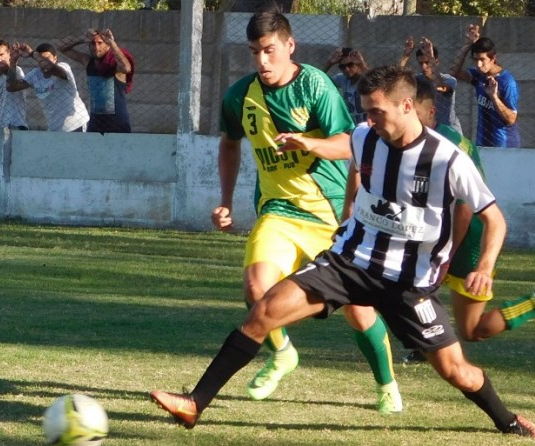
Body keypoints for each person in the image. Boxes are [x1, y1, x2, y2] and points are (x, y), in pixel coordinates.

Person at [150, 66, 535, 441]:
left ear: (407, 106)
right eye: (366, 113)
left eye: (377, 112)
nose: (369, 121)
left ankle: (508, 421)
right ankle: (195, 403)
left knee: (456, 370)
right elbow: (344, 144)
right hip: (349, 261)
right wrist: (308, 144)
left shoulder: (448, 159)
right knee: (265, 309)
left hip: (408, 284)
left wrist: (484, 266)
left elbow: (495, 219)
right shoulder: (366, 136)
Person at [154, 8, 404, 420]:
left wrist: (308, 144)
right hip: (279, 210)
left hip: (329, 213)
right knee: (257, 287)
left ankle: (387, 385)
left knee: (359, 312)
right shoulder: (239, 96)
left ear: (290, 46)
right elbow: (230, 144)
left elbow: (349, 143)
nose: (262, 60)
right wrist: (226, 200)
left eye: (269, 50)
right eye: (255, 52)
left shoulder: (315, 85)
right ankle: (283, 352)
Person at [402, 78, 535, 363]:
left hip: (468, 240)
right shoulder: (410, 141)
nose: (408, 122)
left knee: (472, 329)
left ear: (431, 112)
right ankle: (425, 344)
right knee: (406, 285)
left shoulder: (449, 146)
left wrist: (447, 254)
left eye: (415, 114)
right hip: (438, 235)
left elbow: (464, 209)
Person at [450, 24, 520, 148]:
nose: (478, 64)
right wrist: (468, 45)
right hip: (482, 143)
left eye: (482, 59)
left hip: (504, 147)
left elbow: (511, 119)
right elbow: (453, 73)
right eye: (475, 59)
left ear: (493, 58)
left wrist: (494, 97)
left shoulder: (507, 82)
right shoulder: (478, 75)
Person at [55, 28, 134, 133]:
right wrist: (81, 38)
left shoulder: (114, 65)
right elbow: (60, 47)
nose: (96, 47)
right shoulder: (88, 62)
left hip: (117, 122)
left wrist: (112, 43)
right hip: (96, 121)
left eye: (100, 43)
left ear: (107, 46)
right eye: (93, 43)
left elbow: (126, 68)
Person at [6, 42, 90, 133]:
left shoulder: (63, 67)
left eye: (47, 58)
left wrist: (32, 53)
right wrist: (13, 63)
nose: (44, 61)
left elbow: (51, 67)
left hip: (75, 124)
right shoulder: (35, 74)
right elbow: (11, 87)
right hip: (54, 128)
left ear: (55, 58)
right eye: (41, 58)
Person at [399, 36, 462, 134]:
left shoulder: (449, 80)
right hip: (429, 130)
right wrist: (405, 55)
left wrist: (431, 57)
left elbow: (441, 87)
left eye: (427, 62)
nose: (424, 66)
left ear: (436, 62)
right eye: (421, 63)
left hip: (449, 131)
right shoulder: (418, 80)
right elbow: (397, 80)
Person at [323, 47, 367, 125]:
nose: (346, 69)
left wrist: (362, 64)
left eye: (350, 65)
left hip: (369, 126)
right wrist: (329, 63)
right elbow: (318, 79)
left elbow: (377, 81)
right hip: (352, 126)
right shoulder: (342, 79)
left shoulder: (366, 78)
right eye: (342, 67)